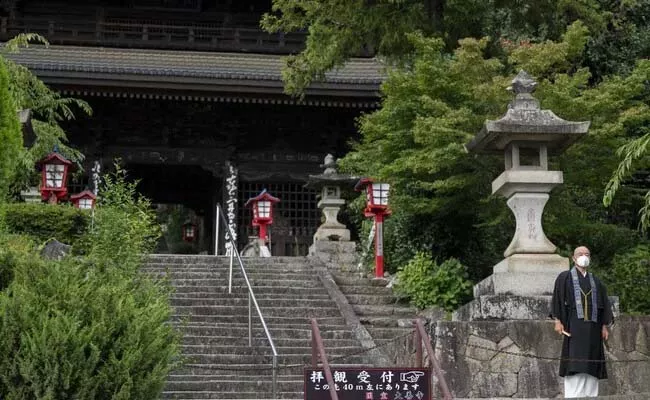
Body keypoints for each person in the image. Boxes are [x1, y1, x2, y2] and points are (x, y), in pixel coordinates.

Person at [550, 246, 614, 398]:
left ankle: (590, 395)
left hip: (594, 329)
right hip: (574, 328)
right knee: (575, 362)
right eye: (580, 254)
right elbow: (558, 299)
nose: (583, 256)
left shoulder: (596, 281)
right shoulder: (564, 277)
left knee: (592, 362)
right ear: (573, 258)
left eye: (587, 254)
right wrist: (557, 321)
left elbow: (603, 304)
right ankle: (573, 395)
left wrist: (604, 326)